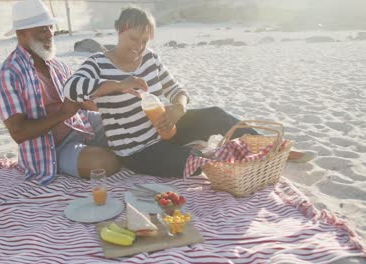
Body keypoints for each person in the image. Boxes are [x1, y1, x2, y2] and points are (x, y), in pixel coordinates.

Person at [63, 7, 315, 177]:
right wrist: (119, 84)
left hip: (164, 130)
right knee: (196, 161)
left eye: (144, 41)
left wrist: (178, 108)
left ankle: (273, 149)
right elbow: (70, 89)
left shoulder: (150, 58)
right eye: (133, 39)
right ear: (120, 31)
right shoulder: (97, 63)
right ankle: (242, 161)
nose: (139, 47)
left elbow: (176, 90)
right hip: (136, 151)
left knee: (215, 115)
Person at [0, 0, 121, 185]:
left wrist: (113, 106)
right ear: (21, 33)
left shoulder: (56, 64)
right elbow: (18, 132)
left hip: (81, 124)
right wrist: (64, 113)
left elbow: (82, 101)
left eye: (51, 27)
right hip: (52, 148)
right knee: (104, 163)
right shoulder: (8, 74)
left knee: (129, 126)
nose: (50, 33)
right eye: (42, 29)